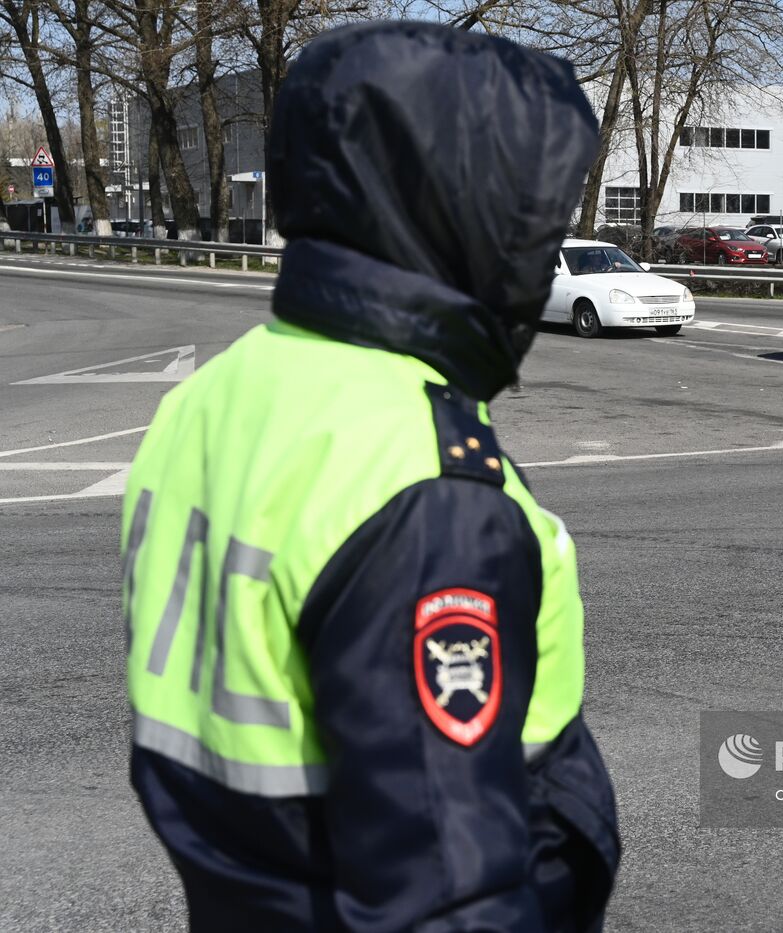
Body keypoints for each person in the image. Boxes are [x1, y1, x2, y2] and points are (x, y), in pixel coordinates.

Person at [120, 22, 618, 931]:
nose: (543, 253)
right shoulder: (425, 486)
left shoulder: (212, 395)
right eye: (533, 225)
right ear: (462, 218)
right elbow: (446, 895)